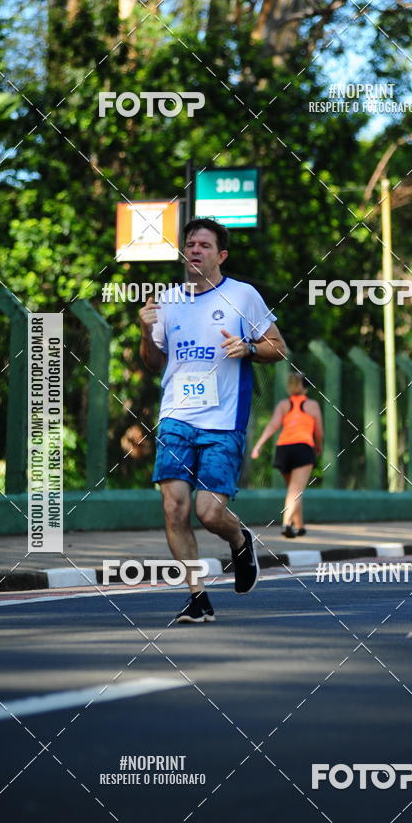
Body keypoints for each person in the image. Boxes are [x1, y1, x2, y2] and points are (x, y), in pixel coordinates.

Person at [139, 218, 287, 623]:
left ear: (221, 255)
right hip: (176, 417)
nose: (194, 250)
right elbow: (153, 364)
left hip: (223, 421)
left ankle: (240, 540)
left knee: (208, 512)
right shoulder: (168, 301)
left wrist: (250, 348)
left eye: (204, 245)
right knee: (173, 507)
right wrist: (143, 330)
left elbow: (279, 347)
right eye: (189, 244)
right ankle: (197, 596)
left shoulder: (244, 295)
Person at [251, 373, 323, 537]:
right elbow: (319, 431)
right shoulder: (312, 405)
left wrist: (258, 445)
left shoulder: (283, 404)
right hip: (303, 448)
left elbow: (273, 425)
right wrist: (318, 447)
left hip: (283, 449)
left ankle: (300, 525)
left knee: (293, 489)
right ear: (305, 387)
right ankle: (286, 523)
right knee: (296, 490)